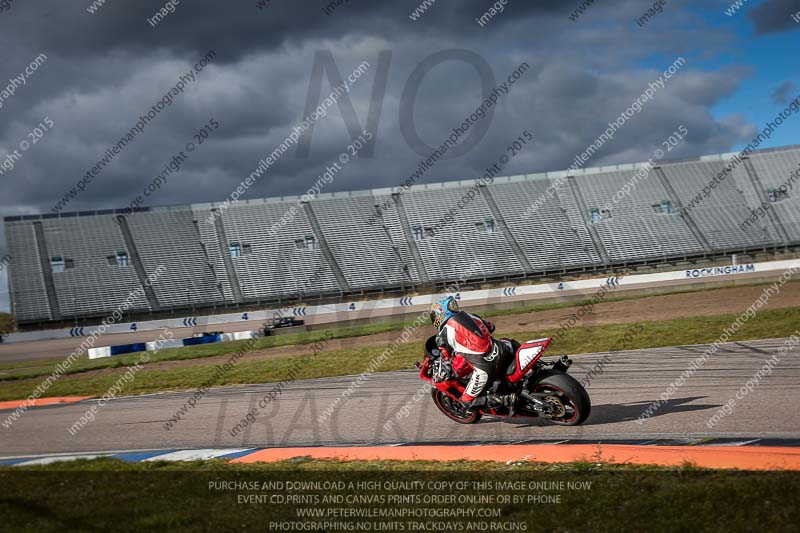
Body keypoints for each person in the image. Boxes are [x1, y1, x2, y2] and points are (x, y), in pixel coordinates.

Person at [428, 295, 517, 412]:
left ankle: (506, 399)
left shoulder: (442, 336)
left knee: (465, 402)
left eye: (434, 316)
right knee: (510, 341)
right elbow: (491, 327)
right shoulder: (471, 316)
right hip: (502, 348)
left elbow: (446, 358)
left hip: (485, 367)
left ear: (440, 313)